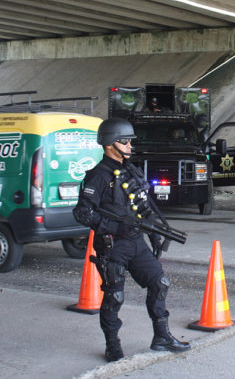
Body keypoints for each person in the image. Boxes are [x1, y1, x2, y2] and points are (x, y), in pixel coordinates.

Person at [73, 117, 191, 362]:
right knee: (114, 296)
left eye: (129, 141)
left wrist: (155, 234)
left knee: (160, 282)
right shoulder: (99, 176)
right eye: (124, 141)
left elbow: (144, 207)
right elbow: (83, 212)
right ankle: (112, 345)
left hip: (136, 242)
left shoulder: (131, 171)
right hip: (113, 246)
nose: (129, 145)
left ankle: (161, 337)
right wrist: (114, 226)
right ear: (109, 144)